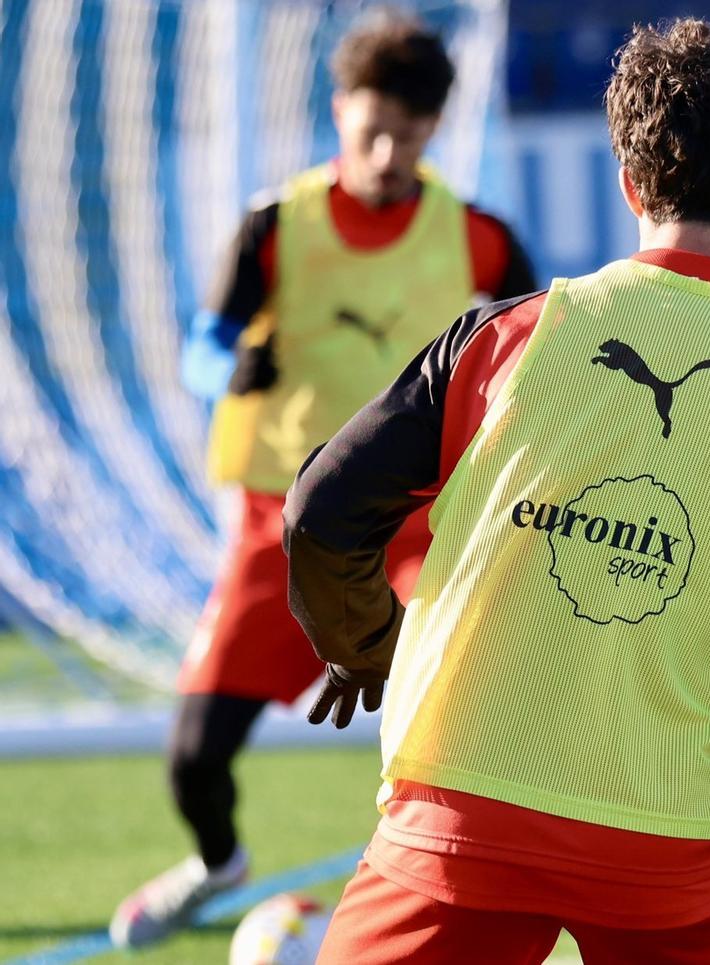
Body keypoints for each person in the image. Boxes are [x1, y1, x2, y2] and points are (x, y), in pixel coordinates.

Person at [284, 18, 710, 965]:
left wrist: (366, 648)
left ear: (630, 184)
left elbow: (318, 511)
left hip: (456, 828)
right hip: (674, 856)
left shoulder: (494, 343)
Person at [109, 9, 536, 950]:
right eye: (371, 127)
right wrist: (230, 371)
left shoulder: (478, 239)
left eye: (410, 134)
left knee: (477, 714)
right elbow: (201, 350)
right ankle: (218, 861)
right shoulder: (276, 226)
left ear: (435, 131)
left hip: (418, 531)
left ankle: (467, 888)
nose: (387, 150)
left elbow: (536, 350)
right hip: (284, 530)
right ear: (340, 112)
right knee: (193, 759)